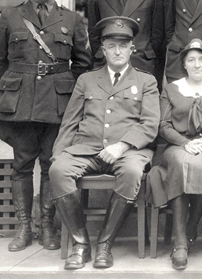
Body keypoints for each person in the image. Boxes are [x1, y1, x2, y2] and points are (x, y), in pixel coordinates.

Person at [0, 0, 91, 253]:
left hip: (57, 106)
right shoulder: (10, 16)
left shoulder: (72, 20)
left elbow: (83, 64)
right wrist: (21, 82)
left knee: (50, 165)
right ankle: (24, 227)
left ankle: (48, 225)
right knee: (22, 165)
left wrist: (62, 88)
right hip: (19, 105)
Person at [49, 16, 159, 270]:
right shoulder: (86, 80)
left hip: (128, 152)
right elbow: (70, 123)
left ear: (132, 48)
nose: (118, 51)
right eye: (112, 45)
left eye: (123, 45)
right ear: (103, 49)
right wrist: (58, 155)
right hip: (86, 149)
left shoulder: (146, 81)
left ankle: (105, 244)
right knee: (58, 170)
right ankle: (81, 243)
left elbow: (150, 124)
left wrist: (122, 146)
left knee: (132, 172)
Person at [147, 39, 202, 270]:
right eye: (191, 60)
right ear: (184, 64)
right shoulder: (171, 89)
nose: (197, 65)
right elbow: (164, 125)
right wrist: (186, 143)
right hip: (179, 144)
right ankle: (180, 242)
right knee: (180, 162)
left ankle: (192, 225)